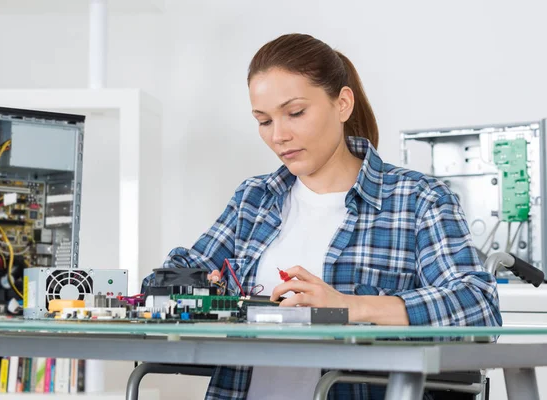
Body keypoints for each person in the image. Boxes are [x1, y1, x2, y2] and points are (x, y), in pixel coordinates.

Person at [142, 33, 502, 400]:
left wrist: (351, 307)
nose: (279, 136)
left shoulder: (417, 200)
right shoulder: (254, 199)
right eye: (264, 120)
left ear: (343, 104)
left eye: (295, 113)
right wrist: (193, 287)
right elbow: (173, 275)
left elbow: (479, 307)